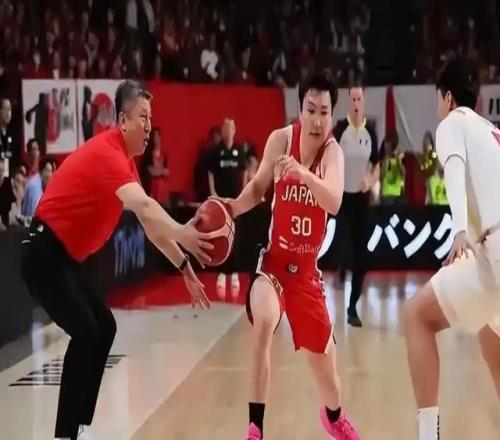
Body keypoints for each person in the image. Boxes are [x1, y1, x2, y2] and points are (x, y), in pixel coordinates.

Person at [21, 80, 213, 440]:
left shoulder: (125, 162)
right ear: (122, 121)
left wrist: (185, 266)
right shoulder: (109, 154)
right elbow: (146, 208)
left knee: (103, 328)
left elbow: (151, 227)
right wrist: (183, 232)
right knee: (86, 331)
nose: (149, 125)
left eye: (151, 118)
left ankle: (78, 426)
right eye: (142, 117)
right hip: (43, 254)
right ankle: (65, 434)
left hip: (64, 259)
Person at [217, 70, 360, 440]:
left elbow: (334, 201)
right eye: (310, 110)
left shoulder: (333, 153)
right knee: (264, 321)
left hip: (307, 276)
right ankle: (255, 428)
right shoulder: (281, 140)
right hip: (274, 265)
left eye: (324, 112)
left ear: (332, 115)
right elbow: (257, 189)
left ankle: (333, 416)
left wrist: (303, 176)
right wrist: (230, 209)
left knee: (330, 384)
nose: (317, 120)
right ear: (299, 110)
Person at [404, 57, 500, 440]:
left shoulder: (452, 124)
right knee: (489, 335)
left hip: (495, 253)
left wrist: (459, 228)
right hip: (491, 254)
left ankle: (429, 436)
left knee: (415, 316)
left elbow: (454, 169)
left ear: (447, 98)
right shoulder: (492, 133)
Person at [334, 85, 379, 327]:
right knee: (345, 248)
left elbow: (377, 164)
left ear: (364, 101)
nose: (356, 103)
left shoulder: (370, 132)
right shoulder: (340, 130)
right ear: (348, 101)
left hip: (361, 200)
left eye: (359, 99)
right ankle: (342, 267)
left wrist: (370, 180)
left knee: (362, 257)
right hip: (343, 198)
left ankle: (352, 307)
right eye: (352, 99)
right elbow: (328, 158)